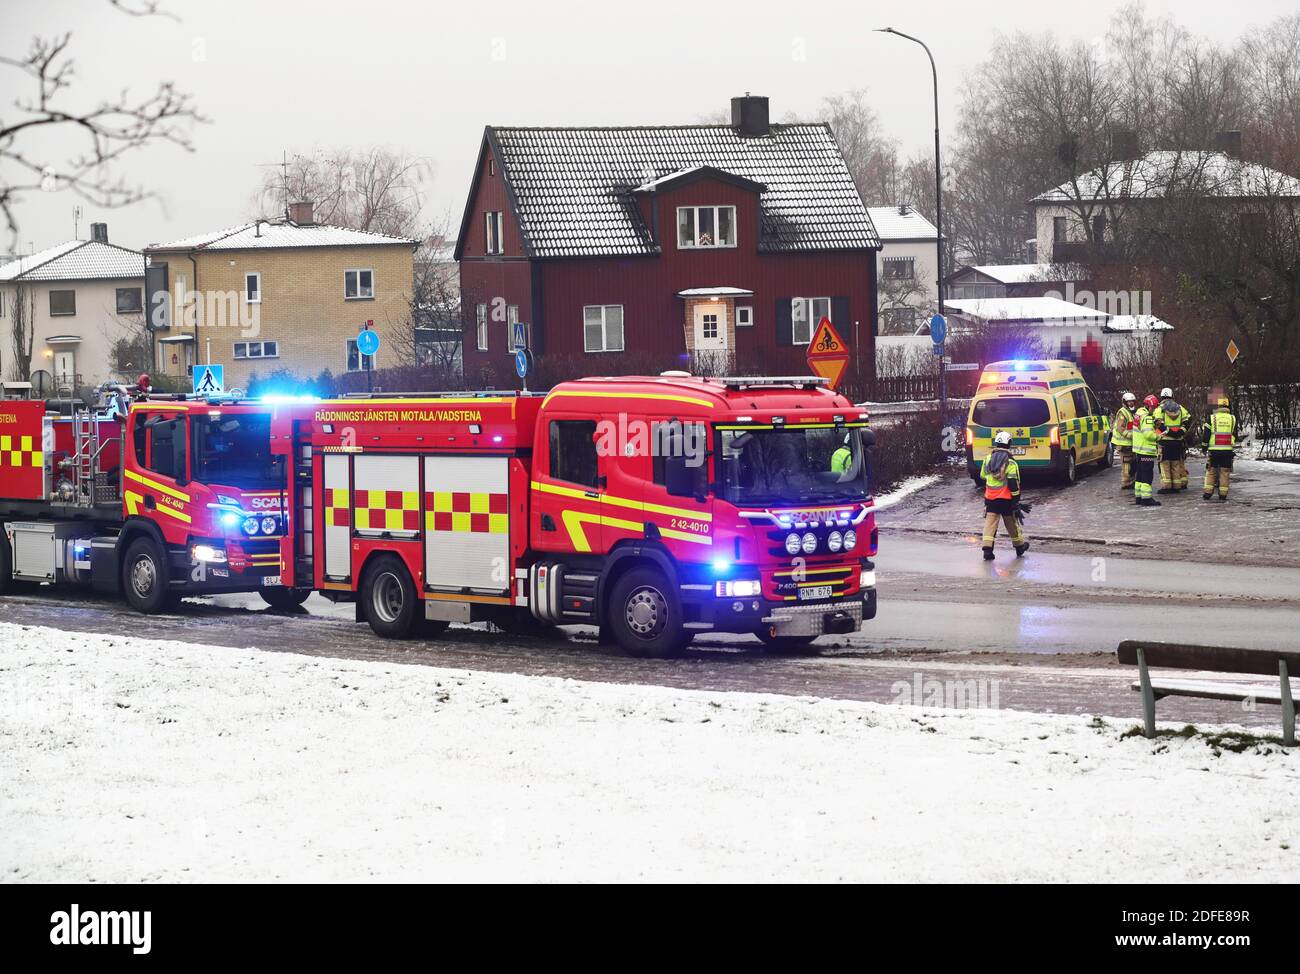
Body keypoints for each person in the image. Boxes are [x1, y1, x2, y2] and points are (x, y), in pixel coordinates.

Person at [979, 430, 1028, 560]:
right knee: (1011, 524)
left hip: (990, 499)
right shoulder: (1011, 462)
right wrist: (1016, 500)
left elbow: (983, 475)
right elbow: (1013, 483)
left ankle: (987, 551)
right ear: (1009, 444)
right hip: (1006, 500)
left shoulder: (988, 459)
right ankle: (1020, 547)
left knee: (990, 524)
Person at [1153, 386, 1191, 493]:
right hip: (1178, 442)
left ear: (1161, 397)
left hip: (1164, 441)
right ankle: (1177, 486)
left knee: (1165, 464)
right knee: (1175, 464)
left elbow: (1157, 422)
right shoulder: (1180, 408)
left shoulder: (1159, 409)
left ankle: (1167, 486)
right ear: (1172, 396)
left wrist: (1168, 431)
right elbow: (1188, 419)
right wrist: (1180, 432)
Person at [1202, 396, 1238, 501]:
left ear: (1218, 406)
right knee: (1224, 472)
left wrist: (1204, 447)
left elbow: (1206, 434)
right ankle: (1223, 494)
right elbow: (1234, 434)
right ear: (1227, 406)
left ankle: (1207, 493)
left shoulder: (1212, 418)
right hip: (1227, 451)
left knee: (1211, 471)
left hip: (1214, 451)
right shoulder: (1233, 419)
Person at [1132, 394, 1161, 507]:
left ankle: (1139, 497)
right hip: (1146, 451)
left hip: (1139, 450)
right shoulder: (1147, 417)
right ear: (1150, 406)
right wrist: (1159, 436)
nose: (1153, 411)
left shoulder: (1138, 414)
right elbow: (1149, 435)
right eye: (1153, 408)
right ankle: (1146, 498)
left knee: (1139, 475)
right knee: (1147, 475)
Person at [1111, 392, 1137, 490]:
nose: (1131, 404)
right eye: (1129, 402)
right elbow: (1120, 428)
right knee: (1126, 463)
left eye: (1132, 402)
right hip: (1123, 443)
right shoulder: (1122, 412)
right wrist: (1131, 436)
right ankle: (1126, 482)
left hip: (1131, 443)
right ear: (1124, 402)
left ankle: (1132, 481)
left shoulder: (1132, 412)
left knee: (1133, 463)